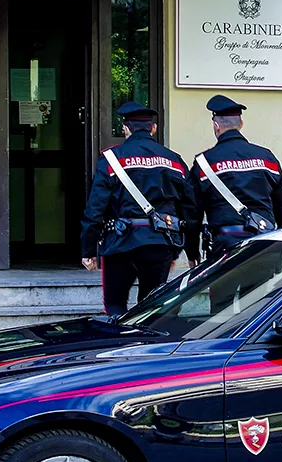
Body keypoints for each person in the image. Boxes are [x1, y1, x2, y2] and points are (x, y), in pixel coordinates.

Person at [81, 102, 197, 316]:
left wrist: (88, 250)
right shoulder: (174, 160)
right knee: (153, 309)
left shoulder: (110, 160)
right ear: (153, 129)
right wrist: (181, 250)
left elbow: (95, 207)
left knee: (115, 306)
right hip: (160, 243)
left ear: (125, 129)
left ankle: (119, 345)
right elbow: (189, 209)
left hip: (120, 243)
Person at [186, 94, 282, 264]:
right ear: (241, 124)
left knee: (223, 291)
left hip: (225, 246)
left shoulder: (204, 163)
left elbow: (192, 213)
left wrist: (192, 252)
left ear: (216, 125)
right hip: (263, 243)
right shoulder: (267, 158)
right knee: (259, 291)